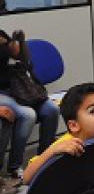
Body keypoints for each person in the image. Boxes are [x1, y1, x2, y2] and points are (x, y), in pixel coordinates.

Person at [0, 29, 59, 183]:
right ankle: (14, 166)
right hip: (3, 94)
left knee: (51, 110)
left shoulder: (4, 38)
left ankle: (45, 156)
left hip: (23, 90)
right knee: (28, 115)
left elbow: (24, 61)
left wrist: (19, 42)